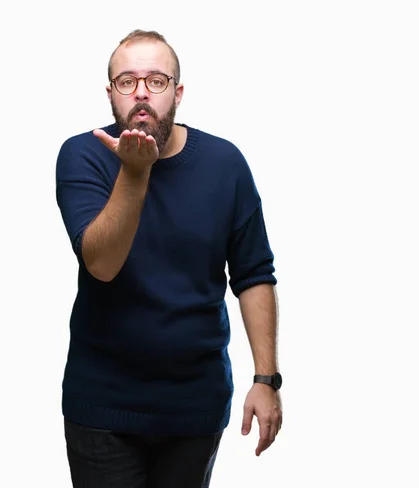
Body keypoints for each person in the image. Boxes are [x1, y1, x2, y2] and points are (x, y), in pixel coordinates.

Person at [55, 29, 283, 488]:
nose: (141, 92)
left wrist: (266, 378)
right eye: (127, 81)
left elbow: (254, 273)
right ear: (111, 94)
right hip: (103, 409)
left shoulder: (225, 163)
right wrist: (134, 173)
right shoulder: (82, 155)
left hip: (194, 408)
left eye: (156, 81)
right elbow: (101, 263)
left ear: (177, 93)